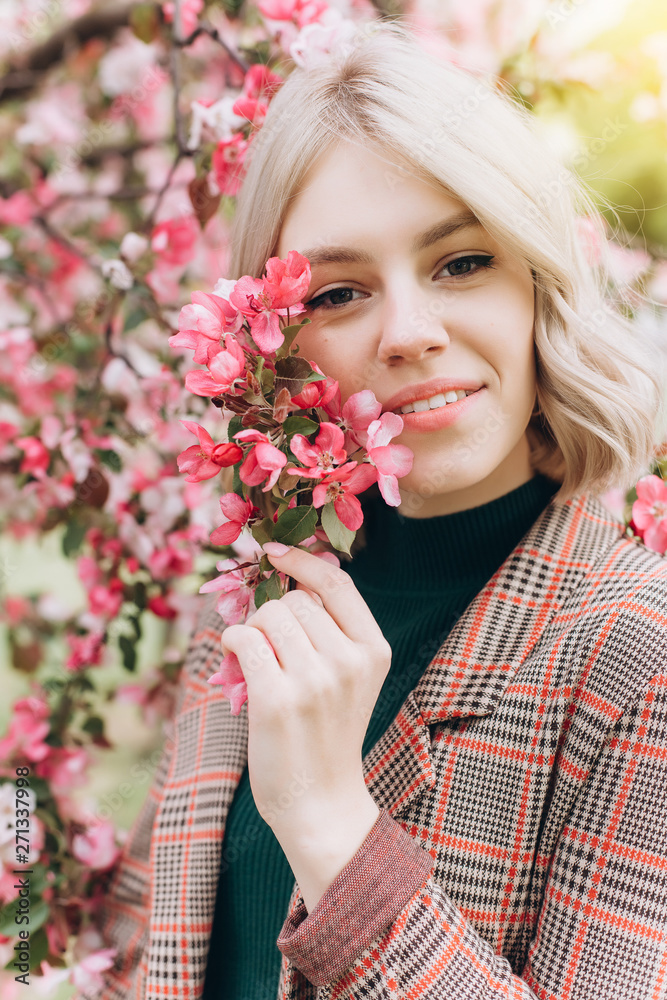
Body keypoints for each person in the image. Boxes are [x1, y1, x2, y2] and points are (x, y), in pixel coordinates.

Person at [88, 21, 667, 1000]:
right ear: (272, 340)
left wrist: (329, 823)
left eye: (459, 263)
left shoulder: (635, 654)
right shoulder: (256, 606)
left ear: (536, 280)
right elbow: (158, 951)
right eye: (343, 291)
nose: (409, 333)